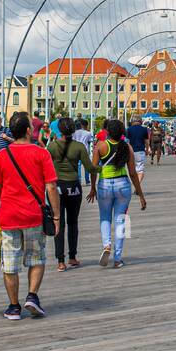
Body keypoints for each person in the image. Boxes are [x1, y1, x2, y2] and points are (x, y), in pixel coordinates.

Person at [0, 112, 59, 320]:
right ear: (28, 130)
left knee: (9, 264)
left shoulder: (2, 156)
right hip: (34, 216)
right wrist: (55, 217)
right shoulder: (41, 154)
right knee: (36, 258)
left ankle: (13, 307)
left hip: (9, 218)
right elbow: (51, 187)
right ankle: (32, 296)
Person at [90, 118, 146, 268]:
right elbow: (133, 173)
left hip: (105, 185)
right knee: (122, 220)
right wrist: (141, 195)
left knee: (105, 217)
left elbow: (93, 169)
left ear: (108, 131)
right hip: (123, 185)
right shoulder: (127, 147)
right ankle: (117, 258)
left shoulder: (100, 146)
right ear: (122, 132)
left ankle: (106, 245)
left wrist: (92, 188)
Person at [48, 116, 97, 271]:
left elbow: (45, 168)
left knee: (58, 223)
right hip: (74, 187)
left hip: (57, 188)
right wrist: (102, 167)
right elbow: (90, 168)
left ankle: (60, 261)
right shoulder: (79, 147)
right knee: (73, 222)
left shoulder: (52, 147)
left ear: (59, 129)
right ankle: (73, 257)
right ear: (73, 130)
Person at [125, 115, 149, 181]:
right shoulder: (144, 129)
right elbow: (146, 141)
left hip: (131, 151)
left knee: (132, 169)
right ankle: (137, 186)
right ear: (140, 121)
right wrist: (147, 150)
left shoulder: (129, 129)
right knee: (140, 170)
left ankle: (135, 184)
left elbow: (126, 142)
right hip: (140, 151)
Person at [73, 119, 95, 185]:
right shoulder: (87, 133)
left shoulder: (73, 133)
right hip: (85, 149)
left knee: (78, 166)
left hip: (76, 149)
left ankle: (79, 180)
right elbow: (91, 140)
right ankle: (87, 180)